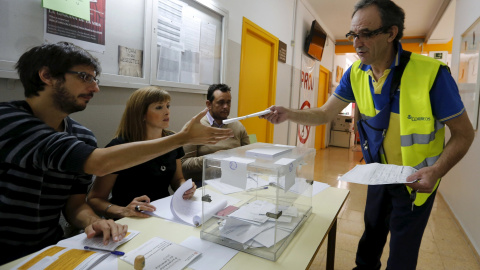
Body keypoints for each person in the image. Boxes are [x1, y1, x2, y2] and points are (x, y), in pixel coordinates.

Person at [261, 1, 474, 269]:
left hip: (416, 181)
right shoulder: (355, 74)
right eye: (352, 35)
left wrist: (437, 170)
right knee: (370, 238)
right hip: (378, 174)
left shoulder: (431, 74)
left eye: (366, 33)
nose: (356, 42)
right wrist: (289, 113)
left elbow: (464, 134)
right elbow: (325, 114)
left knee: (402, 254)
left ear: (391, 33)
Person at [0, 42, 232, 264]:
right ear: (47, 76)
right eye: (85, 77)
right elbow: (98, 164)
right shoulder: (8, 120)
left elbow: (75, 205)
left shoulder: (82, 136)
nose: (95, 87)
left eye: (95, 78)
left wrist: (94, 221)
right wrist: (182, 138)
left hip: (51, 247)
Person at [87, 87, 196, 219]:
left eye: (168, 106)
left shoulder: (172, 141)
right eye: (159, 107)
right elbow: (95, 199)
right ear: (141, 114)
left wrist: (184, 187)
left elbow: (177, 179)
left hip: (163, 212)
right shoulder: (119, 147)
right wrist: (123, 211)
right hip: (130, 219)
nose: (167, 112)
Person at [182, 84, 250, 187]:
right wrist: (211, 159)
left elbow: (247, 156)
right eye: (221, 102)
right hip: (203, 182)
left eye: (228, 102)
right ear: (209, 104)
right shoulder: (194, 127)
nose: (226, 107)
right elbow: (184, 165)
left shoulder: (237, 126)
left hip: (232, 179)